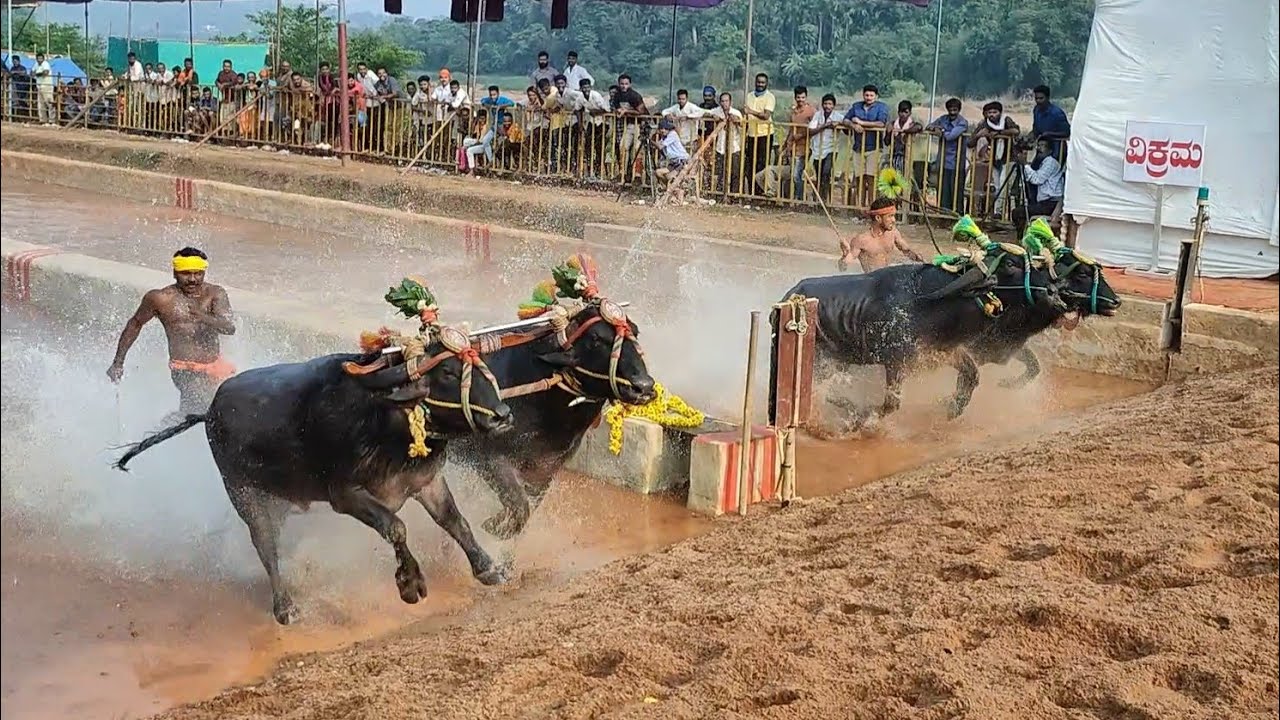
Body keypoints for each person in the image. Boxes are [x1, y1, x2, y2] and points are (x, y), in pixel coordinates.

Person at [107, 247, 236, 416]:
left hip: (215, 366)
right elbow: (135, 324)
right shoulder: (160, 299)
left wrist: (203, 316)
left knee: (228, 408)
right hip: (185, 369)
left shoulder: (215, 294)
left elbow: (229, 328)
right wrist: (118, 362)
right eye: (186, 273)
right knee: (202, 407)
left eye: (198, 274)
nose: (192, 279)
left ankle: (170, 425)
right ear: (175, 273)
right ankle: (176, 429)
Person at [839, 197, 924, 273]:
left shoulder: (893, 233)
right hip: (871, 283)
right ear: (878, 218)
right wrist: (844, 255)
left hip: (886, 280)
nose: (894, 220)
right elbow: (842, 268)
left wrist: (920, 260)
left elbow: (907, 251)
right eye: (890, 216)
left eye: (893, 216)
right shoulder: (861, 240)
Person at [1012, 137, 1066, 239]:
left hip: (1051, 203)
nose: (1039, 149)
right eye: (1039, 145)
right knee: (1020, 212)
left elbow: (1037, 179)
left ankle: (1022, 239)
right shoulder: (1043, 162)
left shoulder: (1050, 162)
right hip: (1046, 202)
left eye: (1043, 146)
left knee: (1018, 213)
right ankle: (1024, 237)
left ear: (1050, 150)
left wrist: (1024, 164)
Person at [653, 117, 690, 204]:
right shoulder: (665, 137)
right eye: (661, 128)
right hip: (673, 162)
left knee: (670, 177)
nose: (662, 130)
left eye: (664, 128)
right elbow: (659, 144)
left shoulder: (672, 134)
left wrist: (650, 140)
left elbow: (660, 146)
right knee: (658, 172)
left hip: (682, 161)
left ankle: (676, 193)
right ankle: (671, 190)